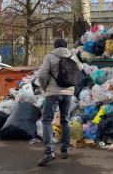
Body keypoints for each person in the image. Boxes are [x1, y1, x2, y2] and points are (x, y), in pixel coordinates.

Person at [37, 38, 83, 166]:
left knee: (46, 120)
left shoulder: (50, 56)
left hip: (53, 93)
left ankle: (49, 151)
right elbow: (80, 67)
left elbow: (41, 74)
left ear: (55, 46)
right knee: (65, 120)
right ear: (66, 46)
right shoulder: (72, 56)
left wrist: (45, 88)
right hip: (68, 93)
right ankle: (64, 150)